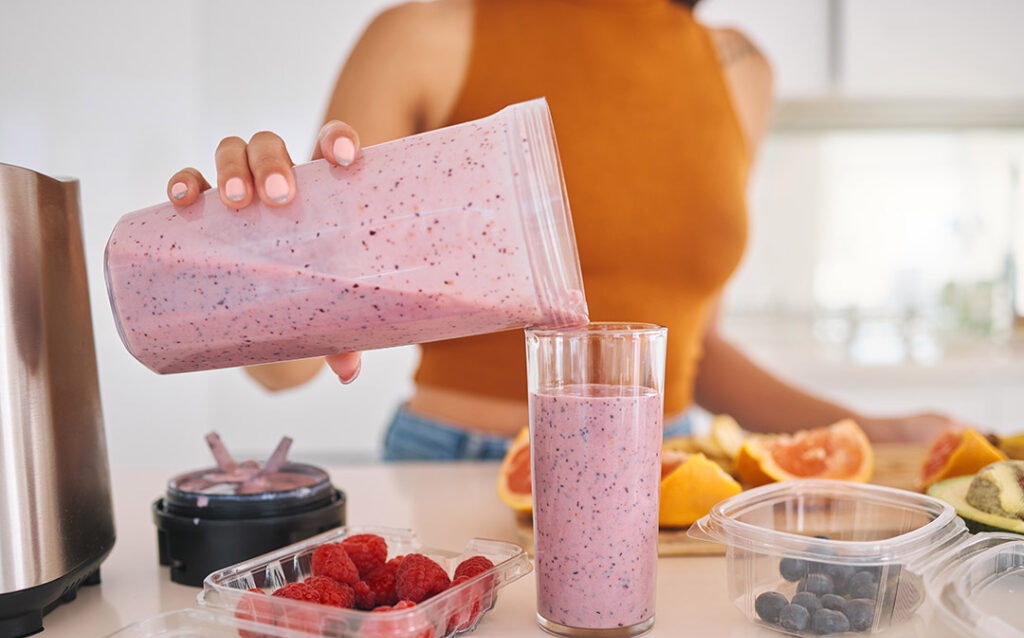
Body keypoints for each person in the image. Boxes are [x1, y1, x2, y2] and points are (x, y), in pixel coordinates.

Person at [166, 0, 955, 460]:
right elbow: (295, 365)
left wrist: (884, 431)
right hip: (456, 469)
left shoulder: (737, 68)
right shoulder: (424, 34)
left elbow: (694, 355)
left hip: (666, 467)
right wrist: (246, 262)